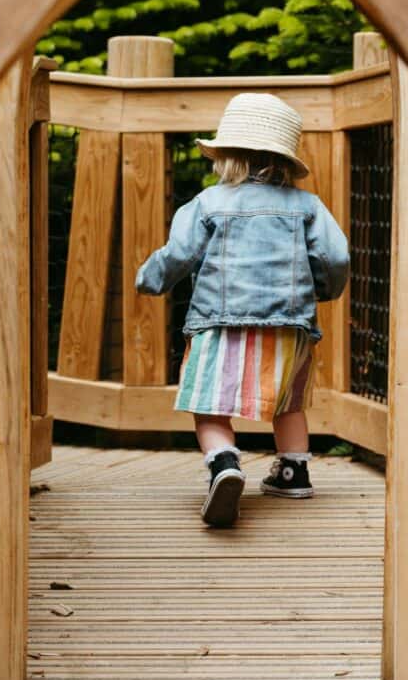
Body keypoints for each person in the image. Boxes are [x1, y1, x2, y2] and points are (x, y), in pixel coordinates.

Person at [135, 92, 349, 527]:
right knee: (288, 402)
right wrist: (324, 290)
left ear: (226, 156)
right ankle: (293, 472)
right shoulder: (308, 206)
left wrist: (150, 279)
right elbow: (336, 256)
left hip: (220, 322)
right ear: (284, 160)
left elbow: (179, 253)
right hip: (289, 324)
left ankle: (223, 462)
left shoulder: (208, 203)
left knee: (210, 404)